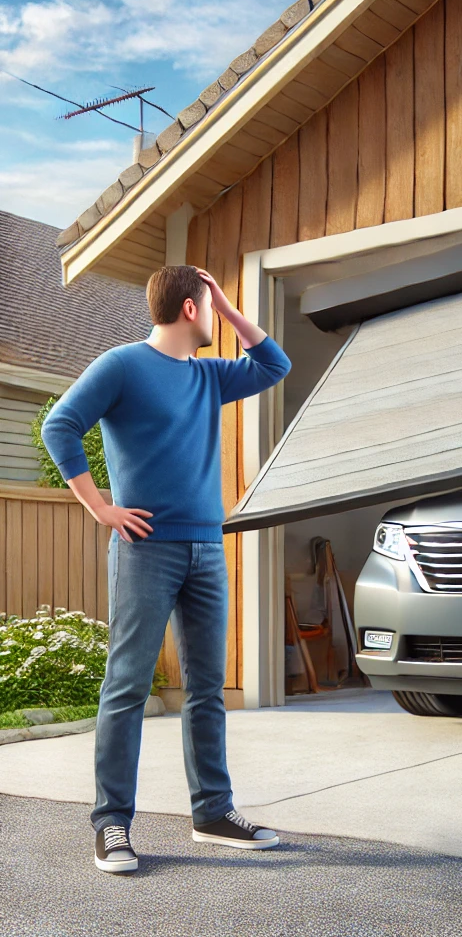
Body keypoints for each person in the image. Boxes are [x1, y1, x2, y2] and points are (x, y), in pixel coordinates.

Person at [41, 263, 292, 874]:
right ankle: (111, 826)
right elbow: (60, 425)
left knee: (206, 689)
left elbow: (273, 366)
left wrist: (230, 309)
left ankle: (212, 812)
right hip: (145, 550)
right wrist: (101, 506)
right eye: (210, 307)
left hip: (207, 548)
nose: (214, 317)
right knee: (127, 687)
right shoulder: (122, 365)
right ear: (189, 309)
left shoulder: (208, 376)